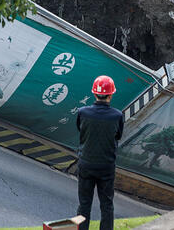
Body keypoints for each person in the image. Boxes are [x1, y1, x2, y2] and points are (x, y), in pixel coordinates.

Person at [76, 75, 124, 230]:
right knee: (107, 205)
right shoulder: (117, 116)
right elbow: (118, 136)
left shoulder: (82, 112)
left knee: (84, 204)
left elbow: (80, 129)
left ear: (94, 93)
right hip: (106, 166)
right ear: (111, 95)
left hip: (86, 163)